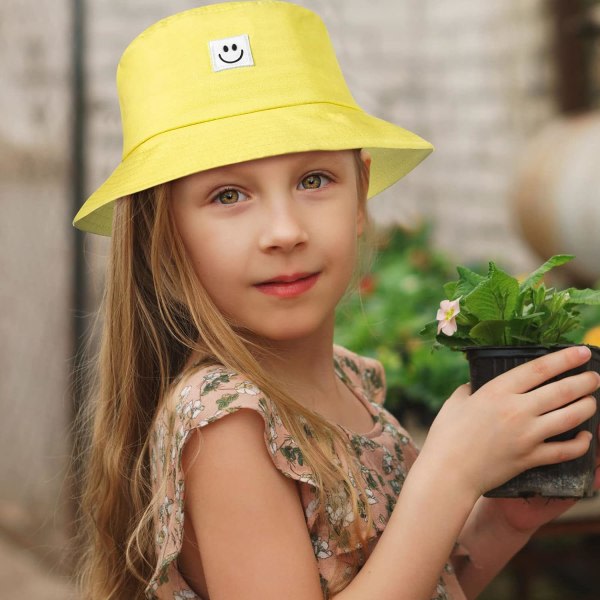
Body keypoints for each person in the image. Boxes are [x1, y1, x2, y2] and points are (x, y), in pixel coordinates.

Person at [73, 2, 600, 599]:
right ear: (163, 234)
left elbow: (410, 584)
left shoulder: (350, 381)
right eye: (228, 195)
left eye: (313, 180)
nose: (284, 230)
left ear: (360, 195)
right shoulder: (227, 424)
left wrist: (500, 522)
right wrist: (450, 473)